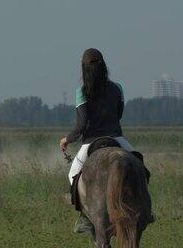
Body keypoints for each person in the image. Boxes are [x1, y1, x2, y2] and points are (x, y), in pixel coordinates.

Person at [60, 48, 151, 233]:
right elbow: (119, 114)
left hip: (90, 142)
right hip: (116, 138)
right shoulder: (117, 88)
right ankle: (145, 210)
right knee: (140, 168)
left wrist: (67, 139)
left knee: (73, 176)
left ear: (84, 69)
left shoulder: (82, 92)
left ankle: (85, 218)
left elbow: (82, 125)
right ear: (104, 67)